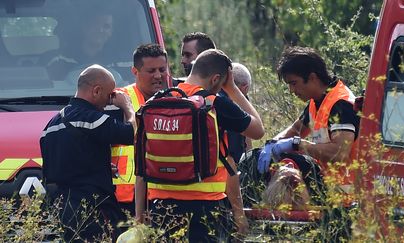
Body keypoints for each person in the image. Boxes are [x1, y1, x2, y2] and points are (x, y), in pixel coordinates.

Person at [136, 49, 265, 242]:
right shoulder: (213, 104)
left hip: (161, 208)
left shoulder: (155, 103)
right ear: (216, 79)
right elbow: (258, 130)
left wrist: (139, 217)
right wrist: (232, 88)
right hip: (205, 209)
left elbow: (141, 167)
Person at [257, 46, 360, 239]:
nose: (292, 90)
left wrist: (299, 144)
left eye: (294, 83)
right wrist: (273, 144)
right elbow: (294, 130)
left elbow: (340, 153)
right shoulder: (317, 101)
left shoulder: (341, 104)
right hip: (328, 196)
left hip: (346, 201)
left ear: (312, 77)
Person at [40, 64, 136, 242]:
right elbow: (133, 134)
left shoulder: (50, 125)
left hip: (62, 208)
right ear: (97, 91)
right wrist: (127, 106)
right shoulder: (90, 118)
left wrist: (100, 167)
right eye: (108, 96)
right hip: (92, 208)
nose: (108, 103)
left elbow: (66, 161)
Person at [111, 43, 168, 216]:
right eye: (151, 71)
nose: (158, 75)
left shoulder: (175, 101)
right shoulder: (119, 100)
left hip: (162, 193)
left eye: (162, 69)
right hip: (124, 197)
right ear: (135, 71)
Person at [46, 7, 114, 80]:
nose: (100, 30)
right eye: (95, 24)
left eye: (106, 26)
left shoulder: (120, 63)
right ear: (84, 27)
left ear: (111, 32)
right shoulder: (57, 60)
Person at [220, 62, 253, 163]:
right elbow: (254, 132)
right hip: (231, 167)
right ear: (245, 87)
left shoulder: (213, 97)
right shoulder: (232, 105)